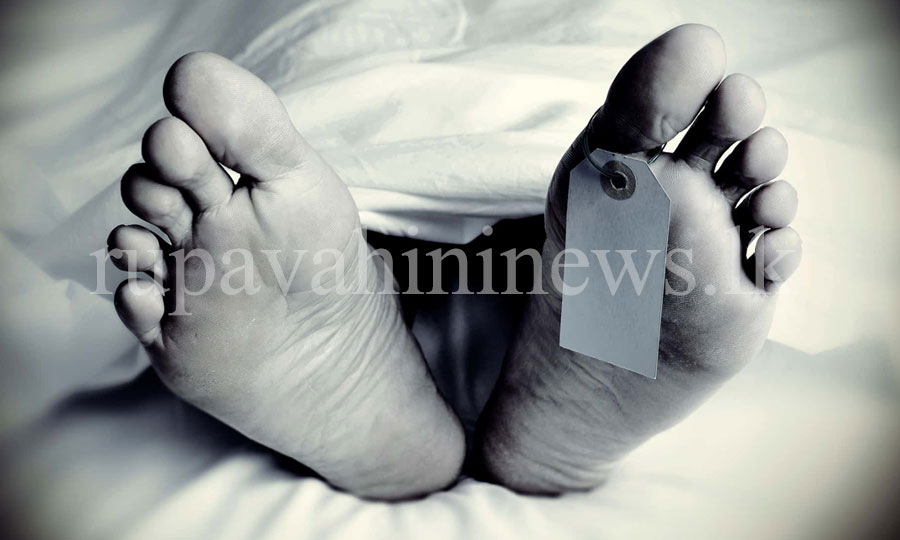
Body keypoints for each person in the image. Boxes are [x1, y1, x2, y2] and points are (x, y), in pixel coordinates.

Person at [106, 24, 801, 500]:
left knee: (332, 82)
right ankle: (594, 322)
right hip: (538, 208)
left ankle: (380, 303)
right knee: (608, 154)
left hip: (358, 134)